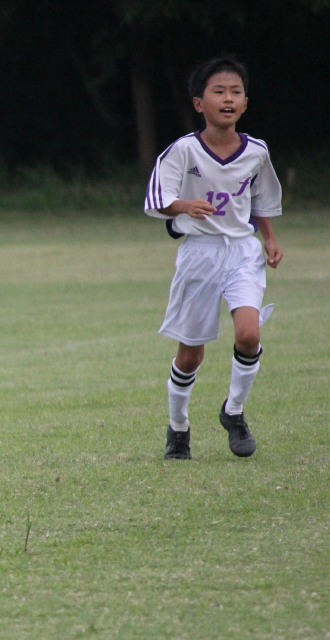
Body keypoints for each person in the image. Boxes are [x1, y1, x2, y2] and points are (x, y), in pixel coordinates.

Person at [143, 56, 282, 460]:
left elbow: (260, 199)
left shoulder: (256, 152)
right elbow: (158, 198)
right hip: (200, 254)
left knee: (249, 335)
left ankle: (234, 411)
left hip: (242, 251)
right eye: (218, 91)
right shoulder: (184, 151)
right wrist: (184, 205)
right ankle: (178, 429)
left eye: (235, 92)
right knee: (190, 355)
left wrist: (269, 238)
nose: (228, 98)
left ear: (245, 103)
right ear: (199, 103)